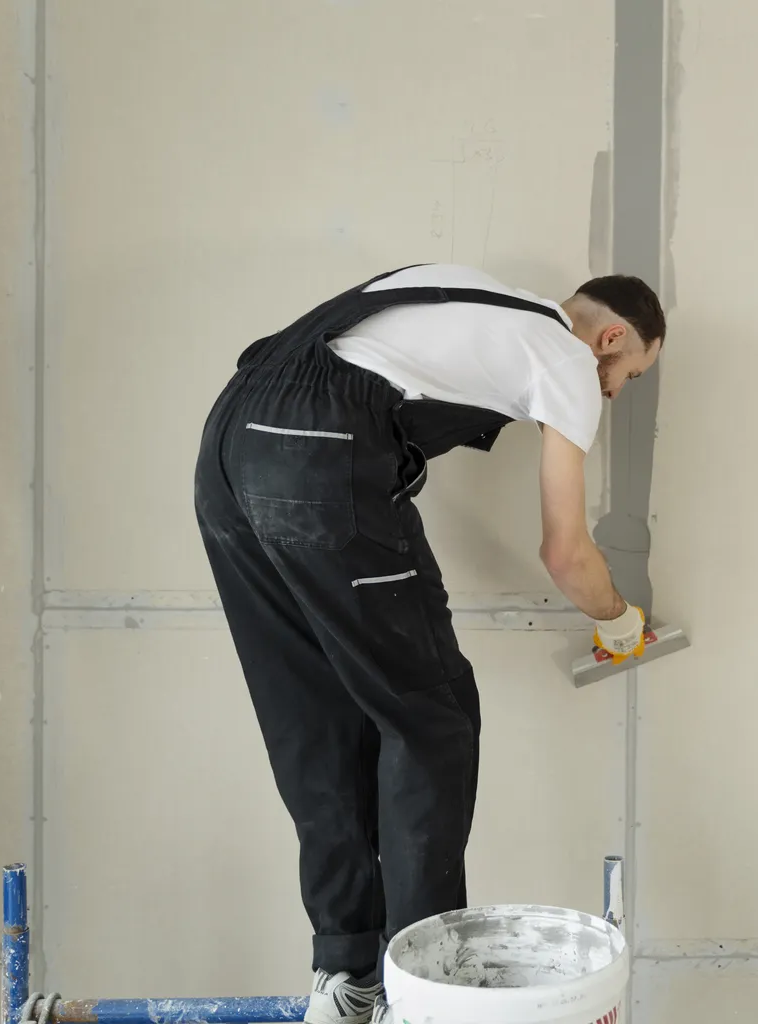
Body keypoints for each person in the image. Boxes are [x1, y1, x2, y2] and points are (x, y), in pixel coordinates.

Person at [193, 262, 665, 1024]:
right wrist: (619, 620)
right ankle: (427, 997)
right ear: (610, 337)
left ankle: (347, 979)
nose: (613, 391)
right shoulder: (568, 357)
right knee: (431, 719)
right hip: (317, 454)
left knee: (311, 718)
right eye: (629, 373)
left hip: (228, 443)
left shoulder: (453, 286)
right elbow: (566, 553)